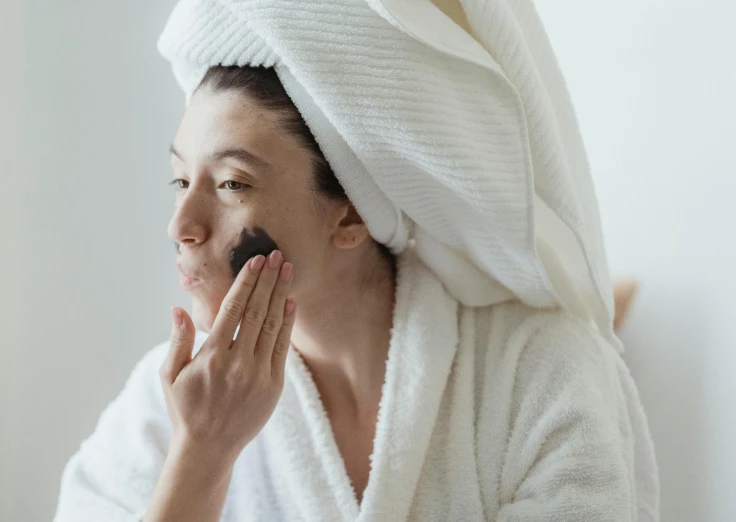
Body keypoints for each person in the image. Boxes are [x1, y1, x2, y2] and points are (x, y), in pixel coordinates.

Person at [53, 1, 659, 521]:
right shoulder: (171, 404)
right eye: (180, 180)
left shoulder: (542, 373)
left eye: (233, 184)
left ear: (351, 214)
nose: (180, 226)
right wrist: (201, 453)